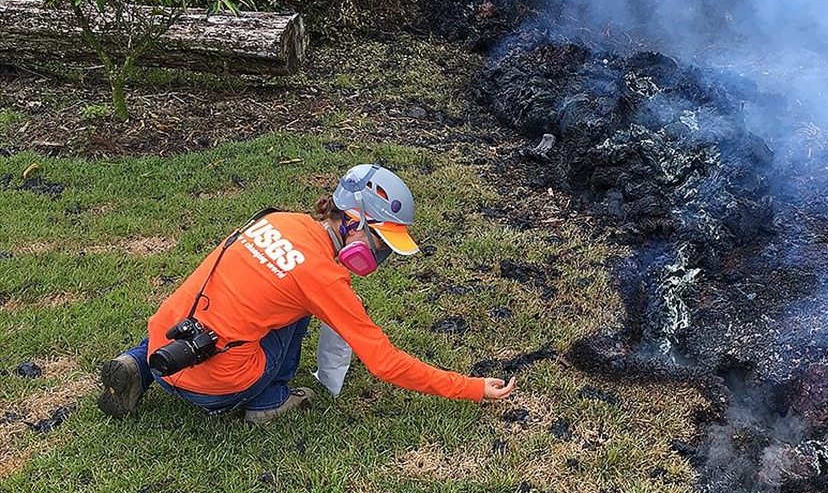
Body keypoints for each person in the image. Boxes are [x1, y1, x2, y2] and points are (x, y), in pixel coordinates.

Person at [97, 164, 516, 424]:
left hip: (162, 348)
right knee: (296, 311)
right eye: (382, 243)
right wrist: (472, 387)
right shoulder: (323, 279)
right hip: (215, 390)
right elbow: (385, 364)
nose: (381, 254)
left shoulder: (275, 218)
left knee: (218, 297)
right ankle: (271, 400)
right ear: (354, 223)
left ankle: (135, 365)